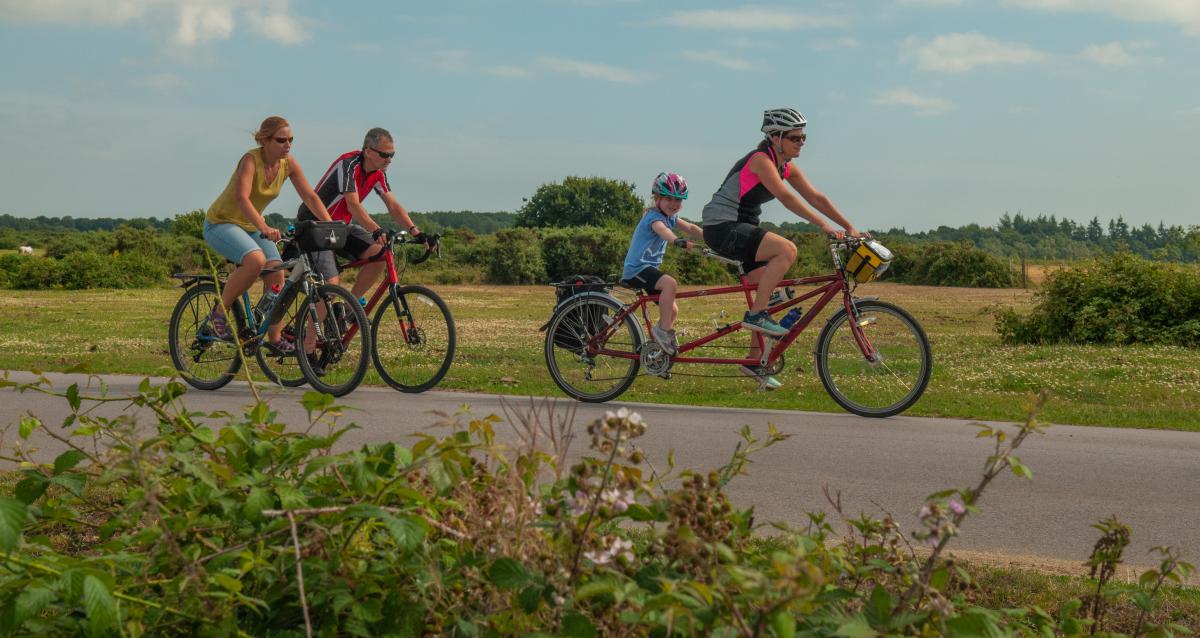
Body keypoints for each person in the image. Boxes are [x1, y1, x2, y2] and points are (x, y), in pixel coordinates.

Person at [701, 107, 861, 389]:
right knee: (786, 250)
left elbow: (816, 196)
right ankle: (755, 316)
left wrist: (849, 227)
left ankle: (753, 361)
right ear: (775, 138)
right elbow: (786, 197)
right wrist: (823, 226)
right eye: (795, 138)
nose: (802, 143)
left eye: (803, 137)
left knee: (771, 295)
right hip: (722, 226)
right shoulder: (760, 160)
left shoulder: (785, 165)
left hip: (742, 227)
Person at [203, 116, 333, 352]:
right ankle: (218, 314)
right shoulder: (251, 160)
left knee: (277, 275)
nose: (288, 145)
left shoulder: (288, 164)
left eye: (291, 140)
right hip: (221, 223)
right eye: (281, 140)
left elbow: (310, 197)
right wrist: (263, 227)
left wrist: (331, 224)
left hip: (251, 226)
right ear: (264, 140)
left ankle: (274, 338)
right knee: (255, 261)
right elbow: (242, 198)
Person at [297, 127, 426, 303]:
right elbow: (353, 205)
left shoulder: (379, 174)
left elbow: (393, 205)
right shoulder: (348, 164)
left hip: (341, 227)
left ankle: (351, 306)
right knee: (330, 286)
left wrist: (415, 231)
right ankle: (311, 332)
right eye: (384, 155)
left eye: (392, 155)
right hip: (317, 225)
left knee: (381, 255)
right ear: (368, 151)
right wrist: (377, 230)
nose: (389, 160)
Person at [620, 172, 704, 355]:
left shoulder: (670, 217)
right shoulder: (653, 217)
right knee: (670, 284)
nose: (674, 204)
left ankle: (655, 350)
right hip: (636, 269)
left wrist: (710, 237)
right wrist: (676, 241)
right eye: (669, 199)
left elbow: (690, 227)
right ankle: (663, 332)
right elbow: (663, 231)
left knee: (672, 310)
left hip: (648, 270)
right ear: (657, 198)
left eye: (679, 200)